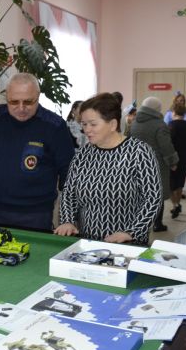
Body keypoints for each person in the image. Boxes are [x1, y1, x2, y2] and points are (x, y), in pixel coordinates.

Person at [0, 73, 74, 231]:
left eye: (28, 102)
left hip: (37, 214)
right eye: (14, 102)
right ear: (6, 97)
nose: (21, 108)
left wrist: (68, 217)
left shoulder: (55, 126)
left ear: (38, 97)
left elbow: (68, 175)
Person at [55, 93, 161, 245]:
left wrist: (132, 232)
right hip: (87, 242)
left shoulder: (139, 152)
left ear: (112, 124)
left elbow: (153, 199)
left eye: (92, 124)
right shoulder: (83, 154)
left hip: (127, 243)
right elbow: (69, 193)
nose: (86, 130)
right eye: (84, 124)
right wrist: (67, 221)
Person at [129, 97, 179, 232]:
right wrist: (173, 162)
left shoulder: (134, 122)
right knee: (158, 194)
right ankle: (158, 224)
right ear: (157, 109)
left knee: (140, 193)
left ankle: (139, 222)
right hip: (156, 165)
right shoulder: (159, 124)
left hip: (135, 163)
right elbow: (166, 147)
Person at [168, 103, 186, 219]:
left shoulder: (171, 125)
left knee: (171, 182)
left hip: (174, 156)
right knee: (180, 181)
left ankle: (175, 205)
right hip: (185, 155)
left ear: (174, 112)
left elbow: (169, 143)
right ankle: (177, 204)